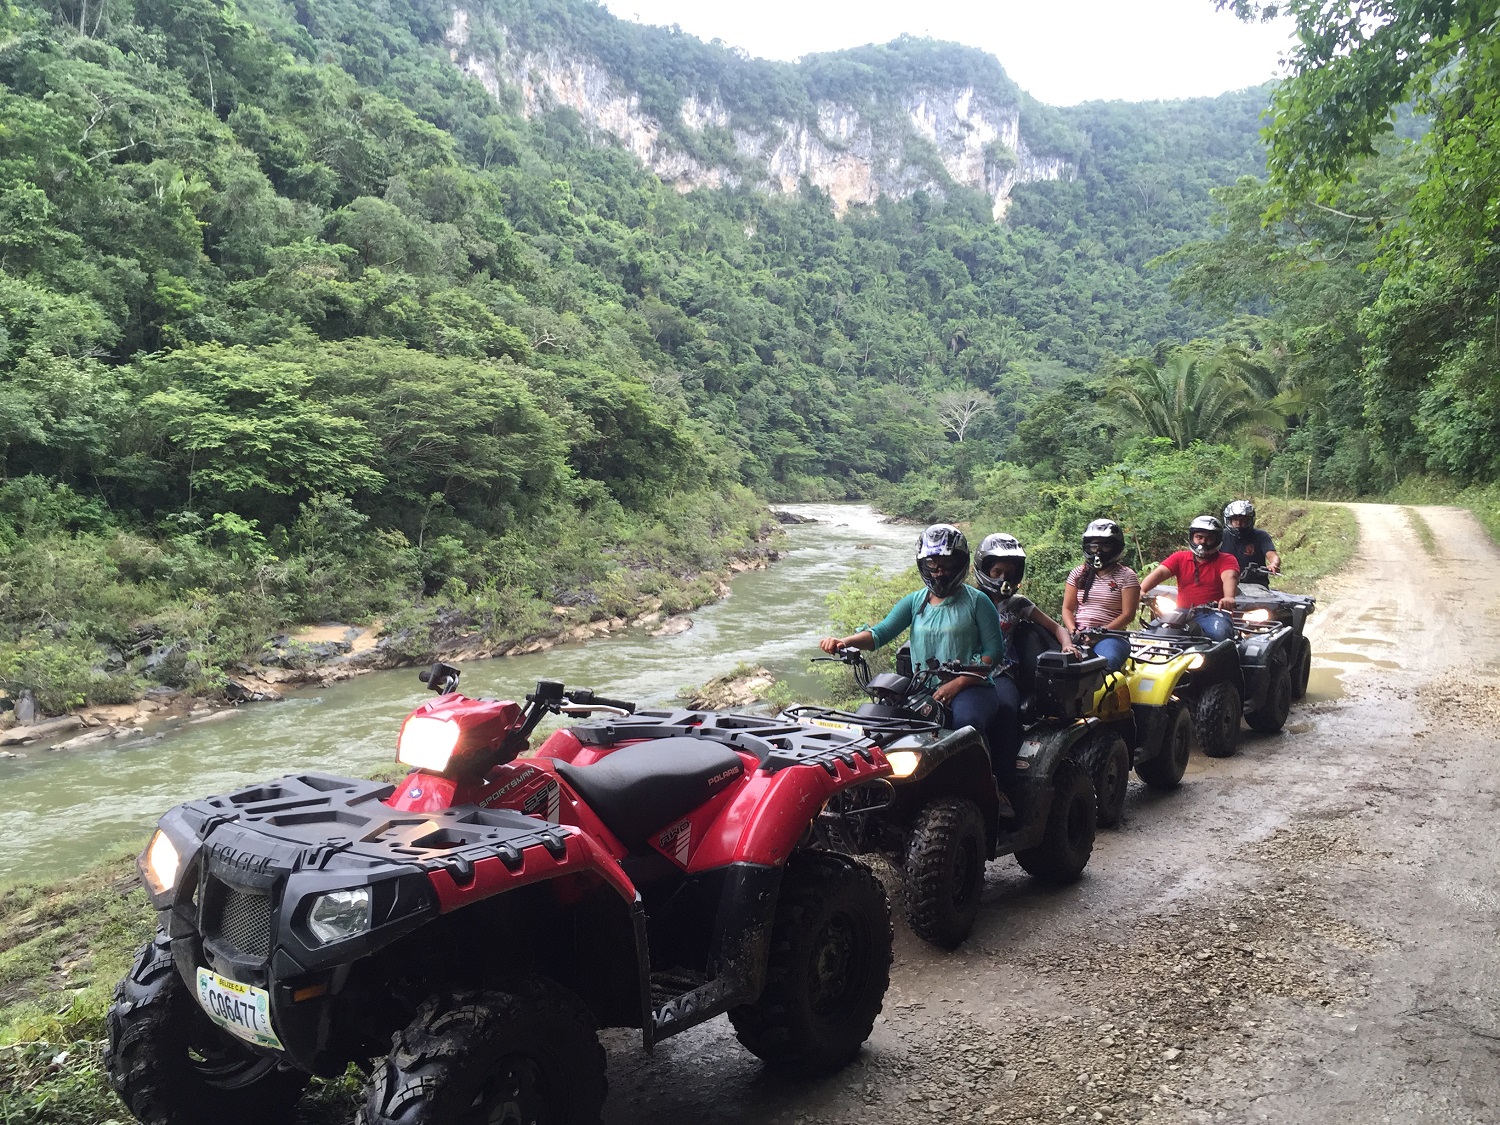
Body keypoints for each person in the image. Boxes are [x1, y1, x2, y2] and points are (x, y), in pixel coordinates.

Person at [820, 524, 1019, 797]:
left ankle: (986, 791)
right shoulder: (915, 601)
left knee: (966, 725)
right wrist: (845, 642)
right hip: (922, 686)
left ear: (960, 564)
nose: (939, 571)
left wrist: (959, 682)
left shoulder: (977, 601)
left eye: (946, 564)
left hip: (972, 687)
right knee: (883, 724)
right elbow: (880, 634)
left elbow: (993, 652)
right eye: (932, 564)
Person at [1060, 518, 1140, 671]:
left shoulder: (1127, 576)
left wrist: (1101, 633)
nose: (1098, 551)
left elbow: (1128, 615)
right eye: (1094, 546)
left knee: (1104, 665)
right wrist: (1073, 631)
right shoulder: (1078, 573)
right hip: (1079, 634)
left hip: (1111, 636)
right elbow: (1067, 608)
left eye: (1105, 546)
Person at [1139, 514, 1240, 612]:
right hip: (1181, 612)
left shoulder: (1227, 559)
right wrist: (1142, 589)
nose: (1203, 541)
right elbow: (1161, 572)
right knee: (1157, 624)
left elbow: (1229, 577)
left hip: (1214, 612)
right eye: (1199, 537)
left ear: (1217, 540)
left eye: (1209, 538)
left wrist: (1229, 597)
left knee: (1220, 625)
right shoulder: (1179, 557)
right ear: (1192, 538)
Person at [1221, 500, 1280, 578]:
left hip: (1255, 581)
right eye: (1235, 520)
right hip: (1225, 580)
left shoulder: (1261, 536)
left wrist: (1274, 564)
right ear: (1229, 521)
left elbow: (1272, 555)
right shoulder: (1221, 536)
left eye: (1243, 520)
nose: (1239, 523)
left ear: (1249, 520)